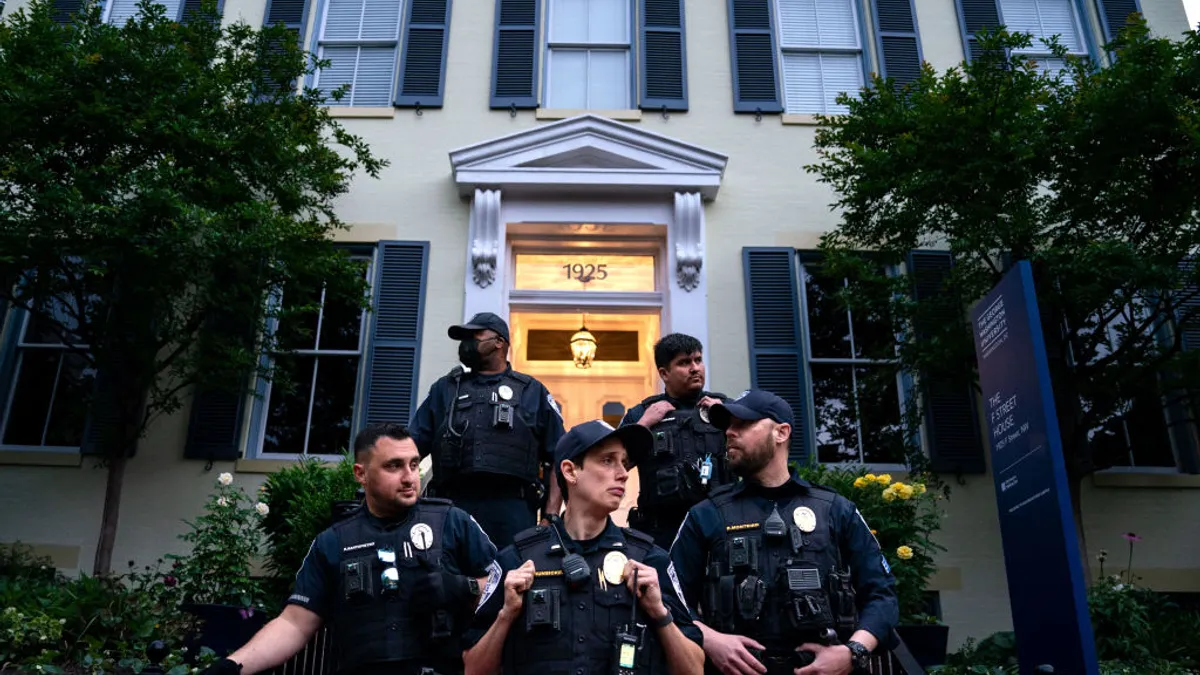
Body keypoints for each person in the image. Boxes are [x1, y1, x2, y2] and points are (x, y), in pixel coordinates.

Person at [200, 423, 499, 675]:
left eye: (413, 464)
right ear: (361, 473)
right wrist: (233, 665)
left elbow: (507, 586)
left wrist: (465, 586)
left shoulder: (452, 522)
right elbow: (294, 623)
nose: (410, 477)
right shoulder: (332, 541)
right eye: (393, 466)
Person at [667, 391, 899, 675]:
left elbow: (882, 595)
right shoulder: (705, 514)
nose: (729, 432)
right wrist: (710, 640)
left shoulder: (836, 510)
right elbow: (670, 599)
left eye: (743, 424)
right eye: (728, 426)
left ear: (781, 432)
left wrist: (853, 652)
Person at [462, 420, 706, 675]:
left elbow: (694, 669)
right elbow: (474, 669)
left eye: (624, 462)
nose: (623, 473)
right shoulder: (517, 559)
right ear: (570, 471)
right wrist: (506, 614)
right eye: (608, 460)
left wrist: (659, 613)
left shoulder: (649, 560)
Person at [410, 311, 567, 547]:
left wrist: (550, 516)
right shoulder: (444, 389)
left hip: (513, 512)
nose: (467, 344)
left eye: (474, 336)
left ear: (499, 342)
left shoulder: (533, 391)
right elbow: (409, 449)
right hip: (450, 508)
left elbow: (560, 456)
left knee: (510, 580)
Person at [620, 334, 732, 549]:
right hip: (662, 529)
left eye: (698, 360)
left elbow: (757, 453)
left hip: (719, 521)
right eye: (684, 362)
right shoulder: (642, 413)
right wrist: (644, 424)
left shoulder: (725, 407)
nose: (694, 368)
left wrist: (727, 416)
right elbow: (617, 463)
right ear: (664, 373)